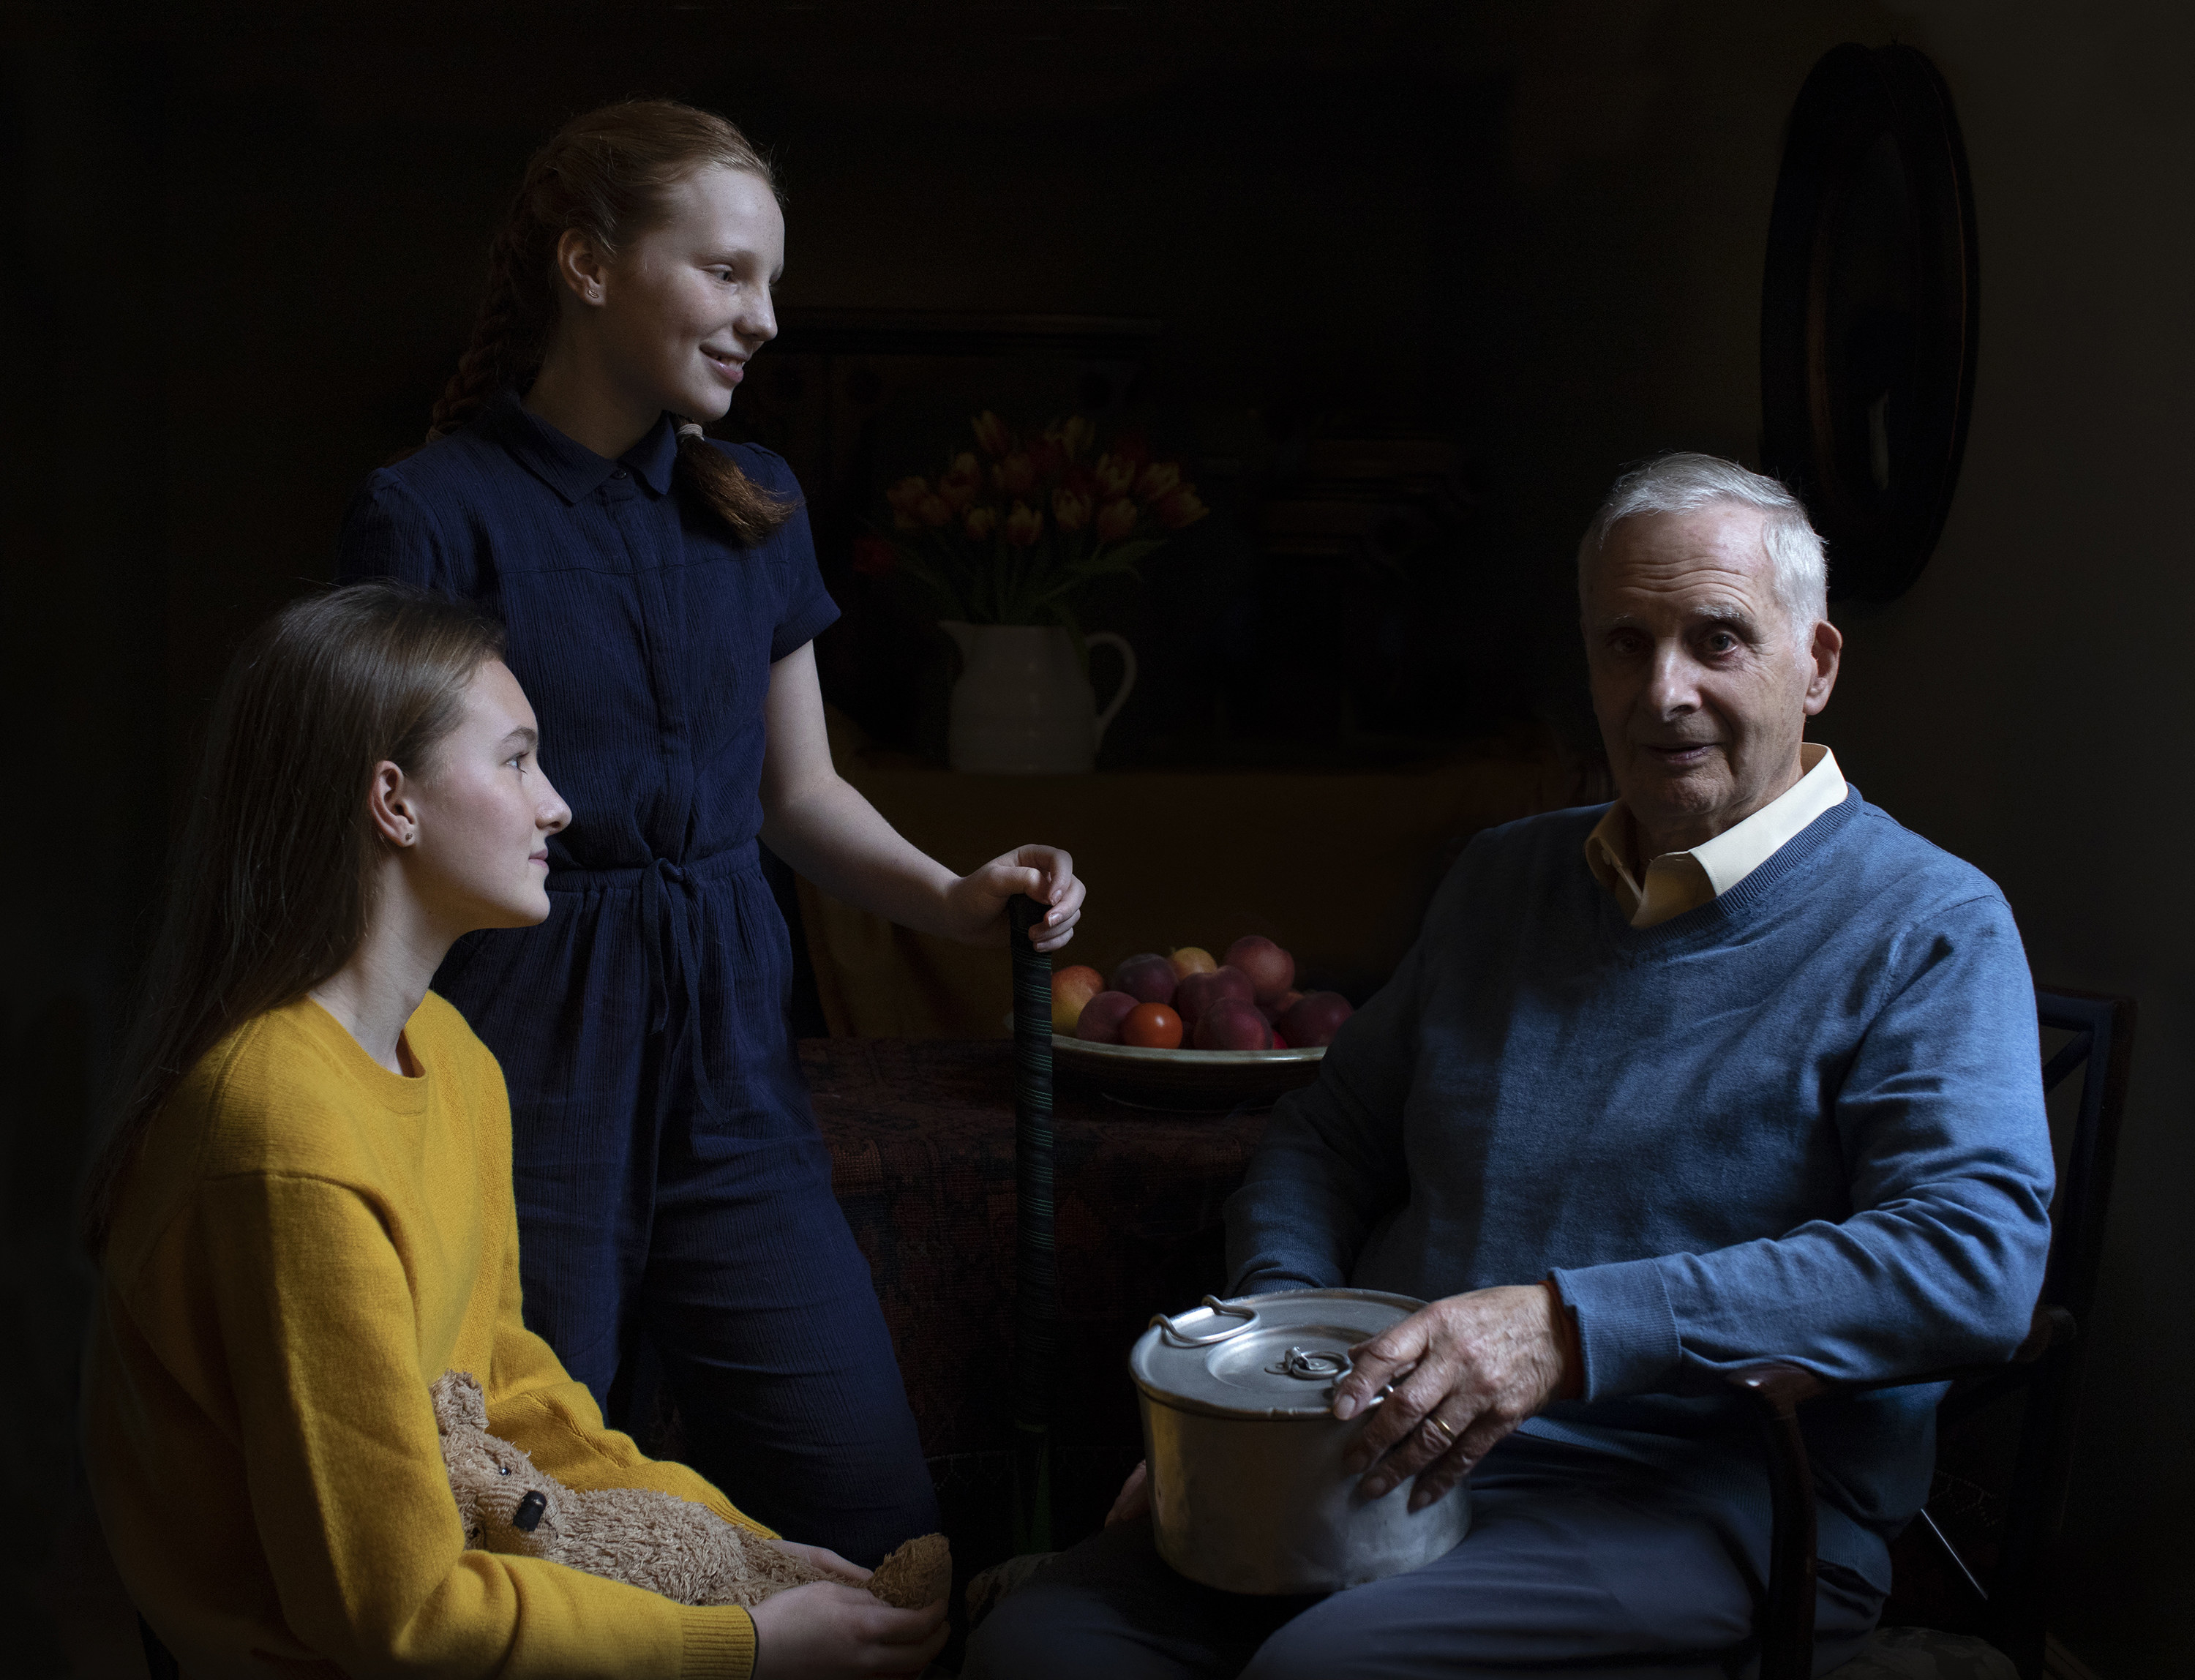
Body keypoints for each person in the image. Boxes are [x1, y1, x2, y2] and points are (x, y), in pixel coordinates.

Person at [966, 454, 2057, 1679]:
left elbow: (1973, 1261)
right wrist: (1278, 1372)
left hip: (1691, 1497)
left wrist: (1566, 1329)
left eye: (1717, 640)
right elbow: (1323, 1143)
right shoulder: (1502, 878)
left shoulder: (1931, 922)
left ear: (1818, 663)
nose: (1665, 692)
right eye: (1623, 644)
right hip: (1368, 1449)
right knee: (1037, 1648)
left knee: (1324, 1674)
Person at [336, 100, 1087, 1565]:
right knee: (526, 1526)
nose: (766, 319)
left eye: (773, 283)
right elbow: (384, 833)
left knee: (883, 1526)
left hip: (737, 1069)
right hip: (520, 1062)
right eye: (729, 274)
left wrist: (953, 891)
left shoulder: (758, 505)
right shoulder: (429, 514)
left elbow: (792, 794)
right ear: (589, 265)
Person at [80, 584, 948, 1678]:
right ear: (392, 801)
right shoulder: (280, 1133)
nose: (560, 807)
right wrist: (741, 1650)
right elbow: (394, 1618)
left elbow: (513, 1394)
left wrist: (748, 1558)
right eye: (518, 760)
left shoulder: (449, 1053)